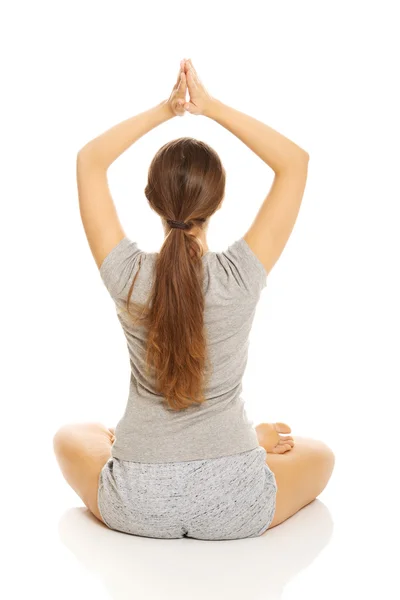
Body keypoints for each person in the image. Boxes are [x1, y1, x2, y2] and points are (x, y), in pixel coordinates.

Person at [53, 58, 335, 540]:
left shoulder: (128, 276)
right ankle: (250, 442)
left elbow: (89, 161)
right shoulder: (239, 276)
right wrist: (211, 108)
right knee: (321, 454)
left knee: (71, 435)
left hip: (137, 501)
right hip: (236, 501)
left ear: (151, 200)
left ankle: (157, 441)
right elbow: (295, 162)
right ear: (218, 202)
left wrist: (168, 110)